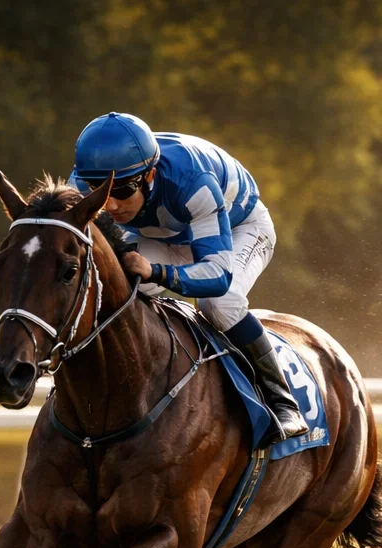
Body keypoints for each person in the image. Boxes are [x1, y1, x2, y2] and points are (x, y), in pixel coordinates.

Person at [69, 112, 306, 439]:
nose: (109, 204)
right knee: (121, 287)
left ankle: (281, 399)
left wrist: (156, 270)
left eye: (122, 189)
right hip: (165, 235)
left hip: (238, 230)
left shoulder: (192, 181)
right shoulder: (79, 185)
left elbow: (218, 275)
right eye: (98, 188)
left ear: (150, 174)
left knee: (218, 304)